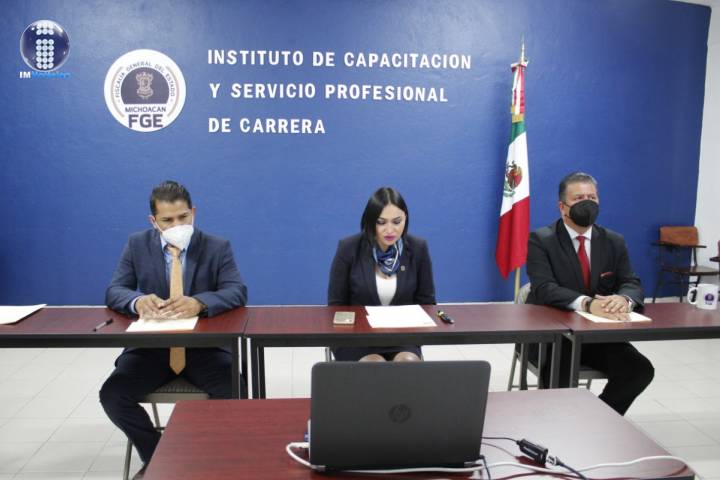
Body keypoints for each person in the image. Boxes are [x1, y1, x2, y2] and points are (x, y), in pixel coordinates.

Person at [100, 181, 247, 478]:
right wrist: (137, 301)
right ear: (153, 221)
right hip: (151, 348)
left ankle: (209, 456)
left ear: (193, 212)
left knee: (238, 391)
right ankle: (159, 457)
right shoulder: (137, 244)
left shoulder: (217, 246)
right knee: (113, 395)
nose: (177, 225)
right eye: (168, 220)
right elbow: (115, 290)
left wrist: (200, 303)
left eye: (183, 217)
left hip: (203, 348)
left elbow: (236, 291)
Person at [526, 172, 654, 415]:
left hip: (598, 337)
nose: (587, 203)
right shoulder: (541, 240)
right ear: (562, 207)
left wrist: (623, 299)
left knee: (639, 371)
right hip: (554, 337)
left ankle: (599, 420)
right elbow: (543, 288)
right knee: (558, 381)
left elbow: (631, 282)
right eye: (579, 198)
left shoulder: (613, 241)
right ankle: (556, 426)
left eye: (592, 198)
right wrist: (587, 303)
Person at [328, 187, 436, 361]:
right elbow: (336, 305)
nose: (390, 230)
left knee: (407, 361)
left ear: (405, 219)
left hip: (401, 336)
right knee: (374, 364)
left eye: (397, 221)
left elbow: (427, 303)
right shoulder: (348, 248)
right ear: (370, 221)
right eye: (381, 222)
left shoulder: (418, 248)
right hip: (356, 337)